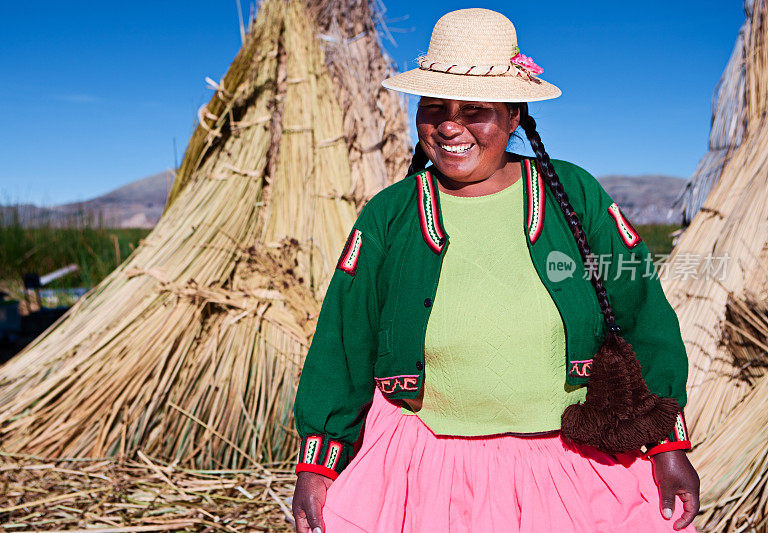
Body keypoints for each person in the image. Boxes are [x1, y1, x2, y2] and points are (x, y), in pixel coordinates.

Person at [291, 8, 700, 532]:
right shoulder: (390, 215)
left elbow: (643, 315)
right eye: (434, 106)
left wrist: (668, 447)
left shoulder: (572, 195)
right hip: (426, 468)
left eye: (474, 110)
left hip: (568, 466)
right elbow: (342, 343)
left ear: (513, 117)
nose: (449, 125)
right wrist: (318, 466)